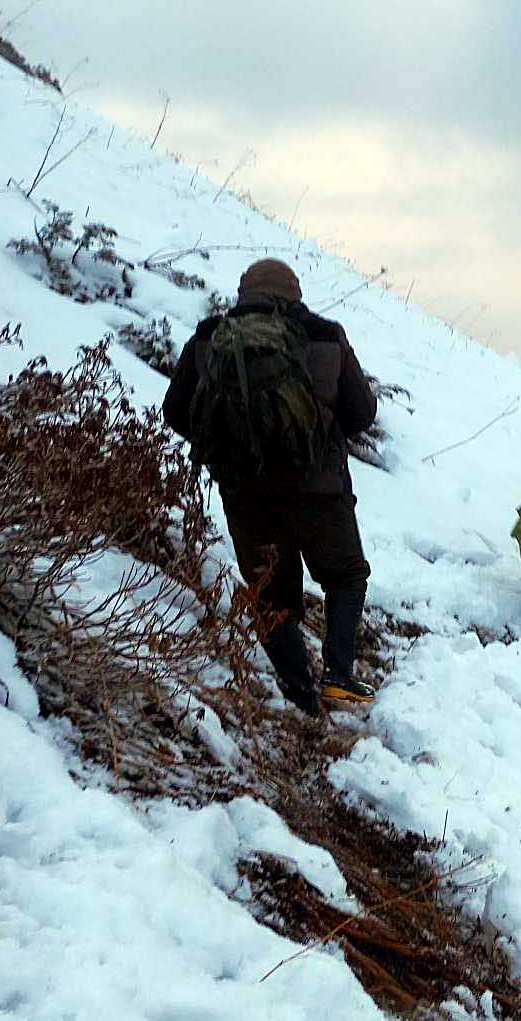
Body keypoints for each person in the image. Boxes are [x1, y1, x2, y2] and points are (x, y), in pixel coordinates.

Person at [163, 259, 377, 716]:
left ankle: (299, 694)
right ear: (294, 293)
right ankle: (338, 675)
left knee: (271, 594)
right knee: (345, 576)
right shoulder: (324, 336)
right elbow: (362, 413)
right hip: (321, 491)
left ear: (244, 293)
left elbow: (175, 411)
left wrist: (231, 449)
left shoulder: (209, 339)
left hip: (245, 494)